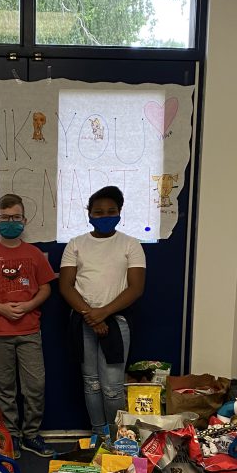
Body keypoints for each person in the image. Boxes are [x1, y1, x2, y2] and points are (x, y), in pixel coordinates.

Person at [0, 193, 56, 459]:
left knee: (35, 385)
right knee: (5, 388)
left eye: (15, 217)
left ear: (24, 220)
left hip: (30, 331)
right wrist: (2, 309)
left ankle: (31, 435)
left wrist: (28, 306)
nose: (10, 222)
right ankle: (12, 437)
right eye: (5, 218)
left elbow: (45, 288)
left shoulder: (34, 254)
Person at [59, 185, 146, 437]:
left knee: (112, 387)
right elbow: (66, 286)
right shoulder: (76, 244)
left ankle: (119, 438)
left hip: (117, 322)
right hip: (82, 320)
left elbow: (136, 287)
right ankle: (99, 435)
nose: (104, 216)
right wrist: (91, 315)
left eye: (111, 211)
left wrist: (103, 313)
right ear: (89, 213)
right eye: (98, 212)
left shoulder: (131, 244)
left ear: (120, 212)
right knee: (92, 383)